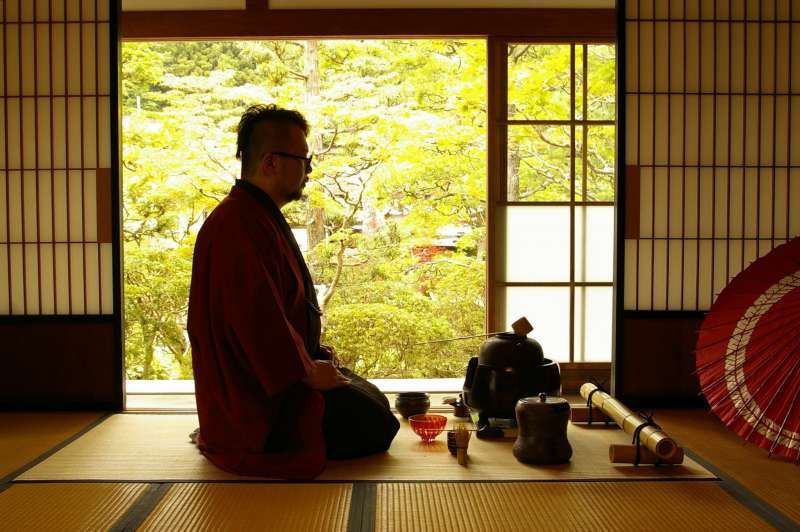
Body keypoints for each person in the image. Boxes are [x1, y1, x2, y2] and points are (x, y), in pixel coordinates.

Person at [187, 104, 399, 479]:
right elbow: (255, 321)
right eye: (304, 159)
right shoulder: (236, 226)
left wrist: (311, 360)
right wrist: (304, 372)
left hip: (280, 373)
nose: (309, 170)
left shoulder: (255, 214)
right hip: (259, 396)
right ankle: (245, 437)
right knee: (377, 424)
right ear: (271, 162)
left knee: (375, 400)